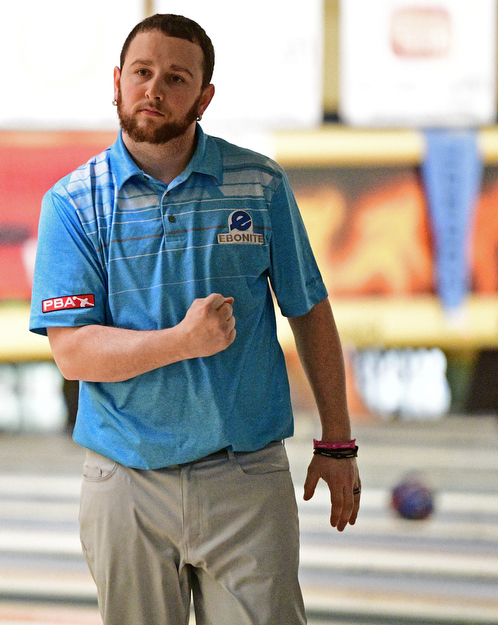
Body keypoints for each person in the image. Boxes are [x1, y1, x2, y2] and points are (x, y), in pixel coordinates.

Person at [29, 13, 361, 625]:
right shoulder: (72, 202)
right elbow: (73, 352)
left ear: (204, 98)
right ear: (117, 82)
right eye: (142, 73)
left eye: (177, 78)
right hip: (125, 481)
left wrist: (337, 445)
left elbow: (310, 310)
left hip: (246, 477)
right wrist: (183, 341)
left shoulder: (259, 184)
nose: (155, 89)